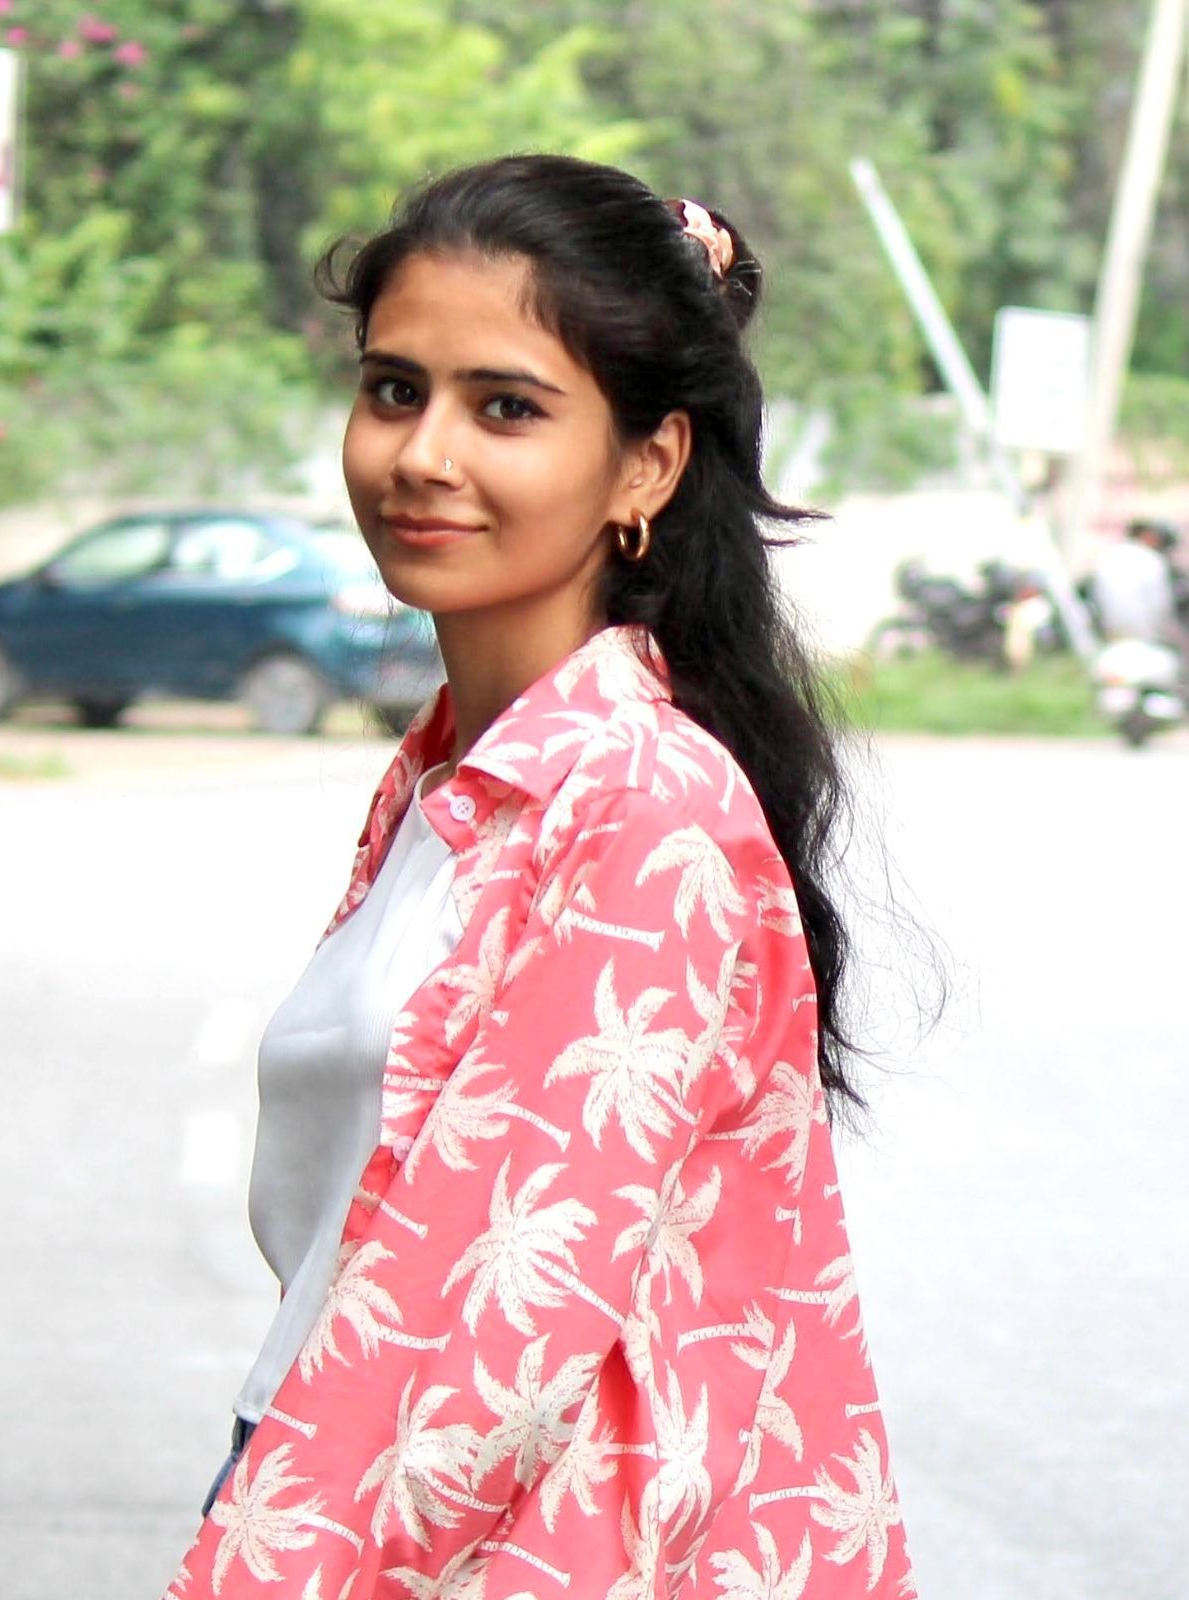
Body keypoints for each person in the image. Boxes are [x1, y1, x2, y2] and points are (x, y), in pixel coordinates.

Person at [165, 155, 916, 1599]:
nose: (421, 454)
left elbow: (498, 1340)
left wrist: (261, 1569)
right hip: (336, 1479)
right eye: (394, 389)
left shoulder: (638, 807)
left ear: (646, 464)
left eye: (502, 406)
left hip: (475, 1542)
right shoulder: (458, 781)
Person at [1090, 518, 1181, 645]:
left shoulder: (1108, 553)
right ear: (1149, 536)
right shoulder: (1153, 561)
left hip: (1109, 632)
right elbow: (1161, 606)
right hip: (1144, 634)